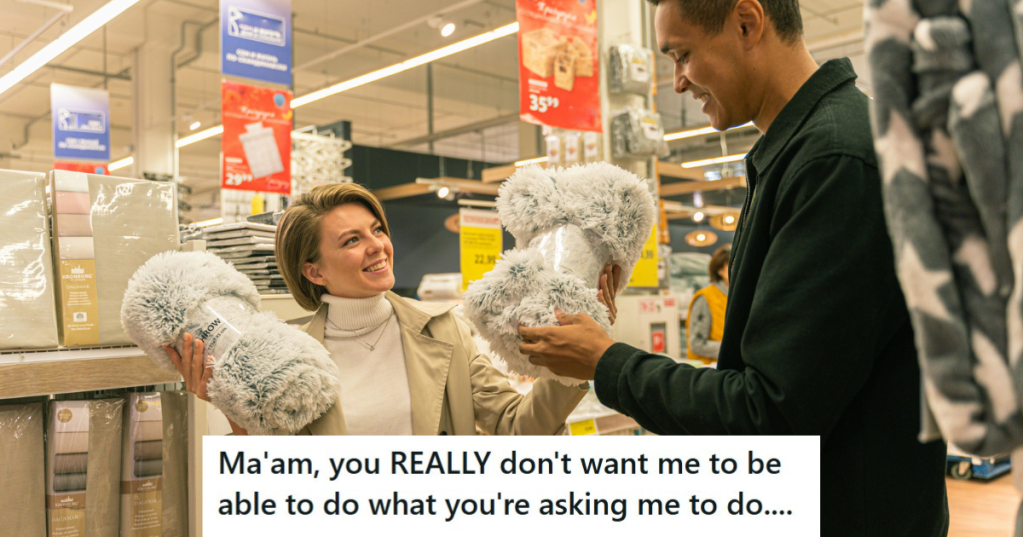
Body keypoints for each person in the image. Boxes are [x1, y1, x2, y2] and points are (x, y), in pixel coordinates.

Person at [515, 0, 949, 535]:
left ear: (747, 23)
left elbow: (770, 415)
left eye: (682, 55)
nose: (677, 82)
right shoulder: (805, 152)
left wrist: (607, 362)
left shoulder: (833, 161)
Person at [166, 183, 620, 436]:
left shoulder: (446, 331)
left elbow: (514, 425)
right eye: (351, 241)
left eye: (376, 229)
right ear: (314, 271)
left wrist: (576, 362)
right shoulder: (285, 353)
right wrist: (229, 404)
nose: (377, 246)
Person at [685, 245, 730, 364]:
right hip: (710, 371)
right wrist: (734, 349)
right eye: (731, 266)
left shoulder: (740, 297)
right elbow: (696, 344)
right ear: (719, 270)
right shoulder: (705, 298)